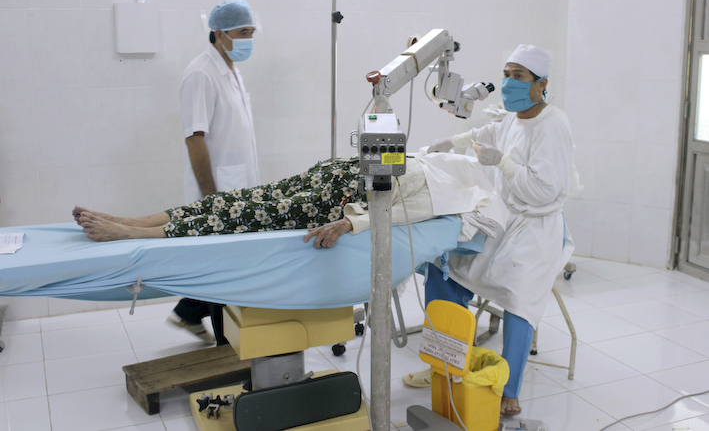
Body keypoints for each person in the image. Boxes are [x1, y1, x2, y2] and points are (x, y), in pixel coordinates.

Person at [404, 45, 575, 416]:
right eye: (507, 74)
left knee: (518, 297)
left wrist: (504, 164)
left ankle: (508, 389)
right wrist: (449, 143)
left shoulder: (553, 125)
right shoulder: (515, 117)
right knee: (444, 269)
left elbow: (545, 190)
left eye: (519, 76)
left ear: (541, 84)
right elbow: (488, 132)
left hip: (536, 228)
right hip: (505, 219)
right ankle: (445, 363)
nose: (509, 83)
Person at [72, 153, 508, 249]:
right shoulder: (442, 160)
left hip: (332, 196)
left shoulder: (449, 193)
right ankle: (134, 220)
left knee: (239, 214)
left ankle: (130, 232)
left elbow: (394, 214)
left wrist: (347, 224)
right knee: (232, 200)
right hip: (328, 174)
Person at [171, 0, 260, 345]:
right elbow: (194, 139)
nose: (248, 40)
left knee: (230, 263)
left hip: (238, 185)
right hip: (218, 191)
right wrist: (211, 197)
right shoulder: (201, 74)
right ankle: (226, 347)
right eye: (242, 32)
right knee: (225, 268)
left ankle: (189, 311)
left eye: (251, 32)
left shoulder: (230, 70)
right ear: (219, 34)